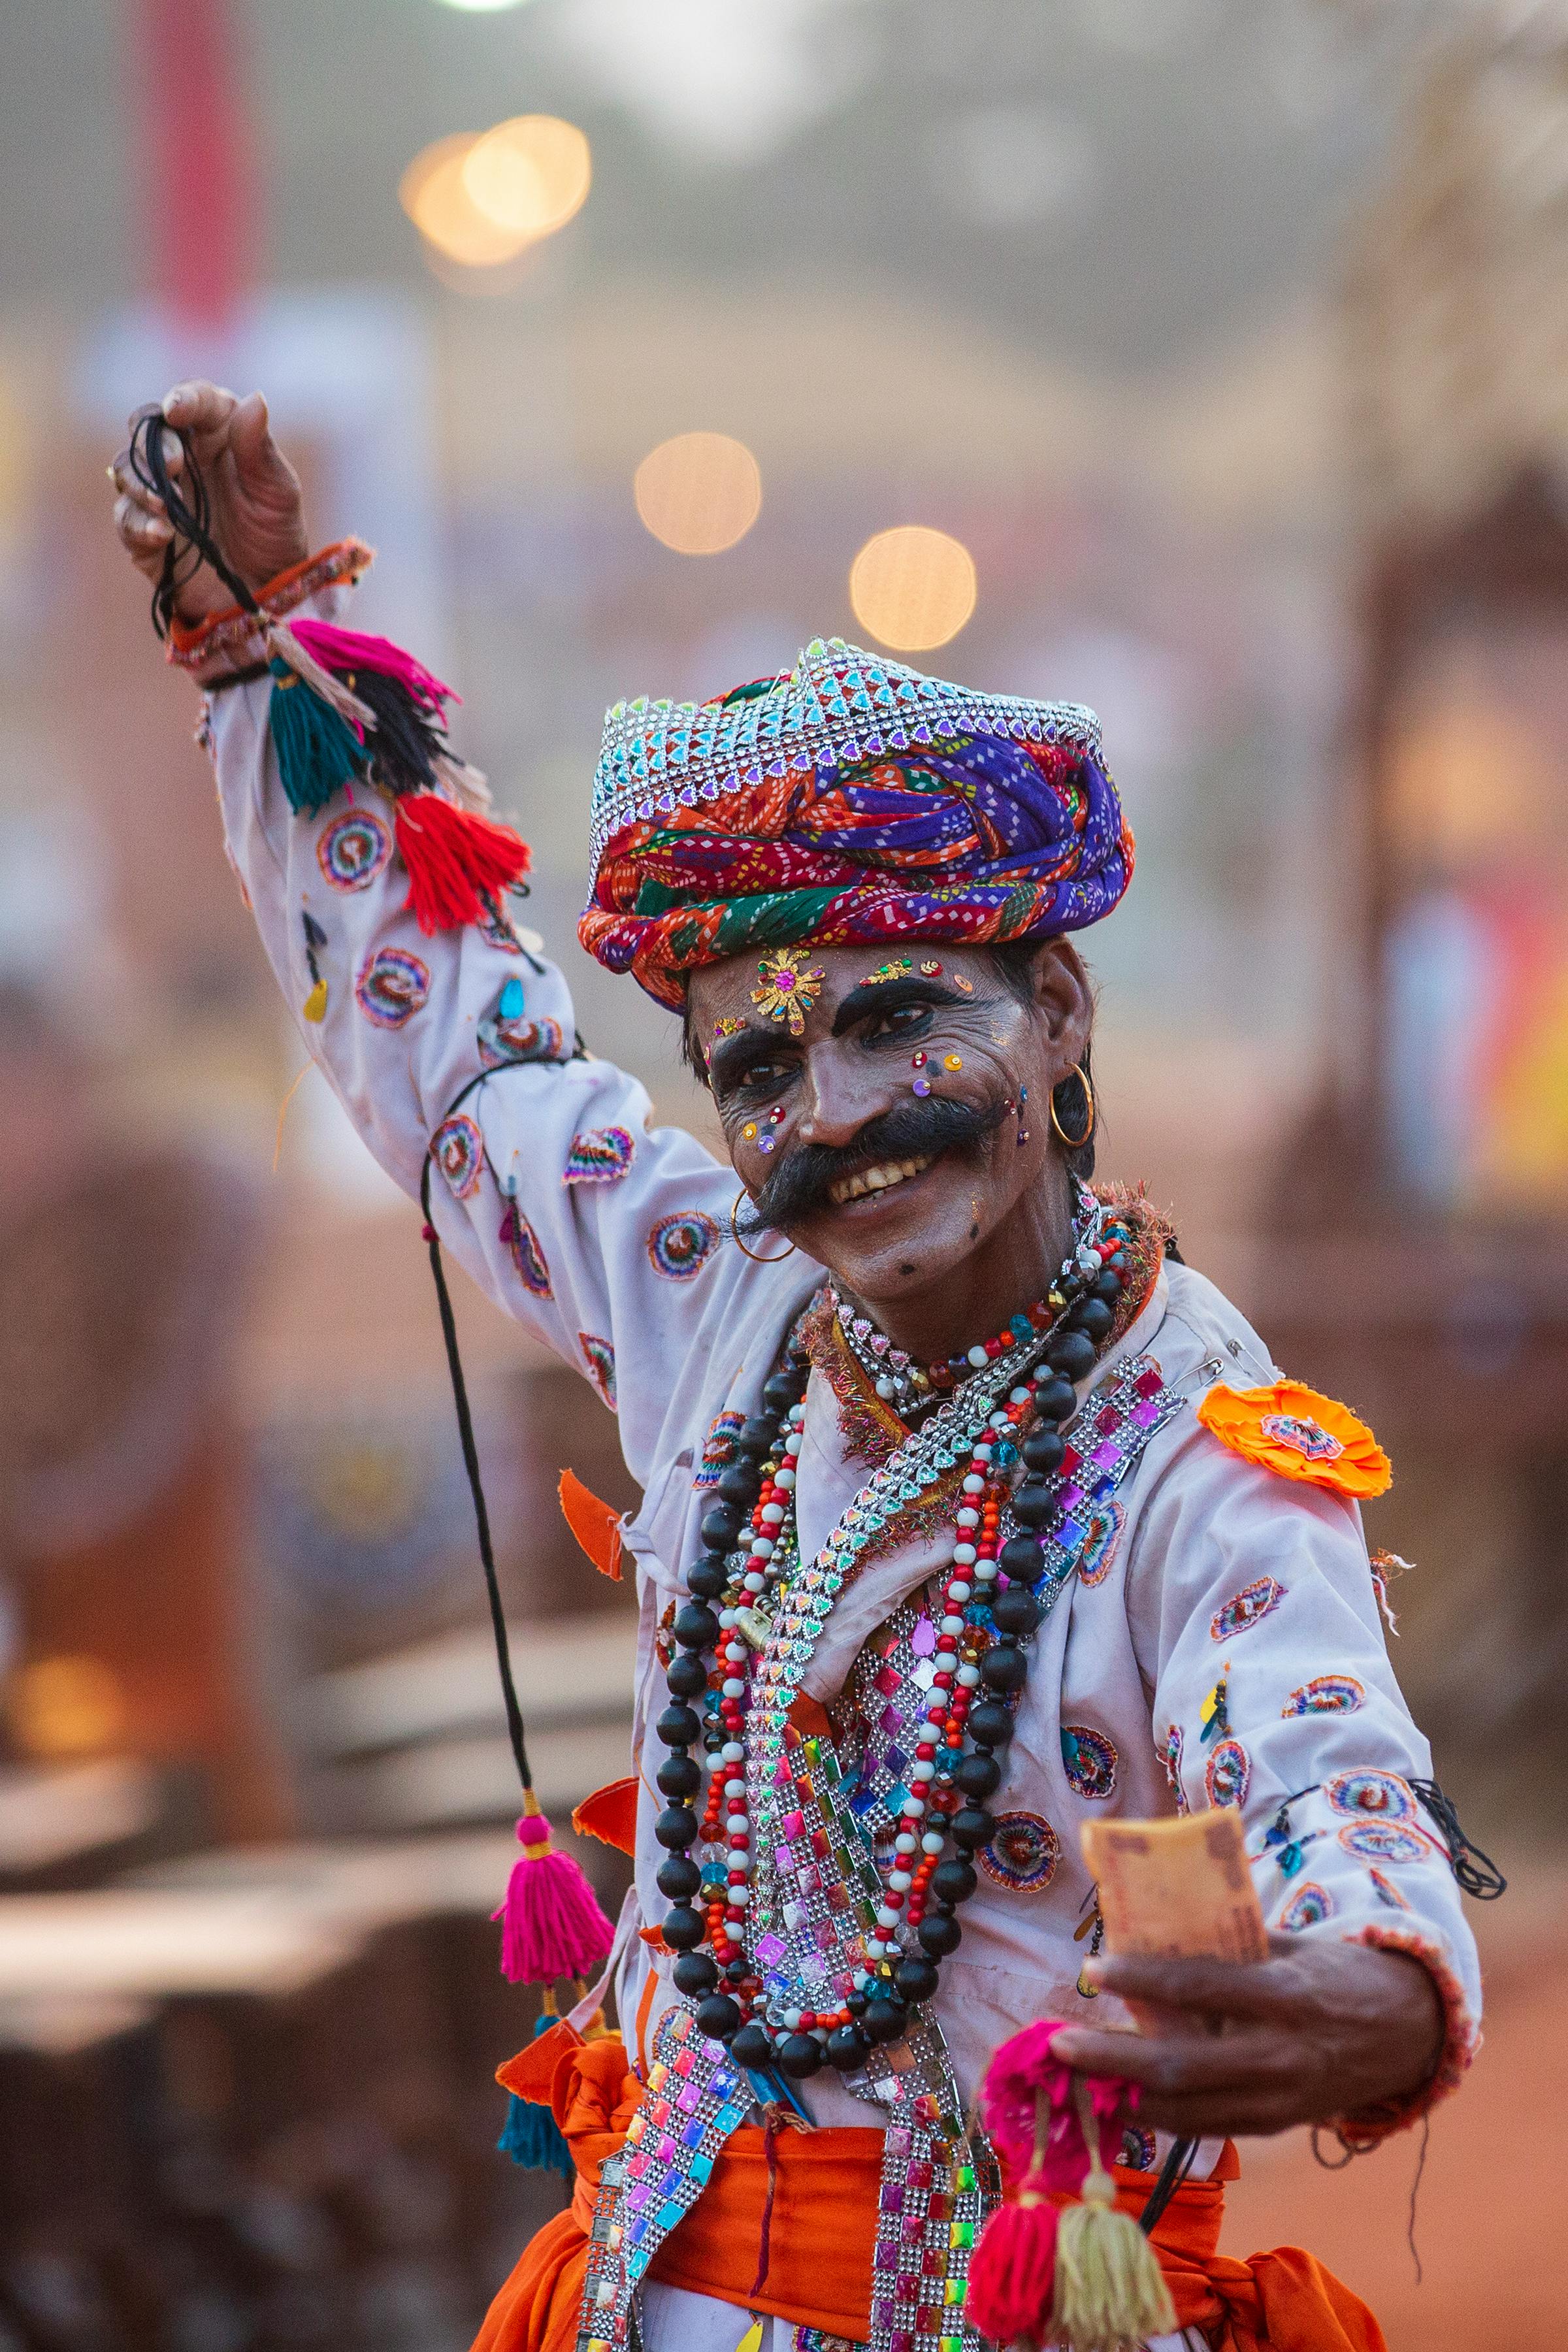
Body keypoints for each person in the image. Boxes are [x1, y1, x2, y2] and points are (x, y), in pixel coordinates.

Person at [110, 384, 1480, 2352]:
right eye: (760, 1067)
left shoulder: (1193, 1441)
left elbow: (1328, 1779)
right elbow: (471, 1068)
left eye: (900, 1017)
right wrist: (257, 669)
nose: (833, 1118)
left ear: (1061, 1007)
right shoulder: (722, 1307)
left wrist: (1368, 1991)